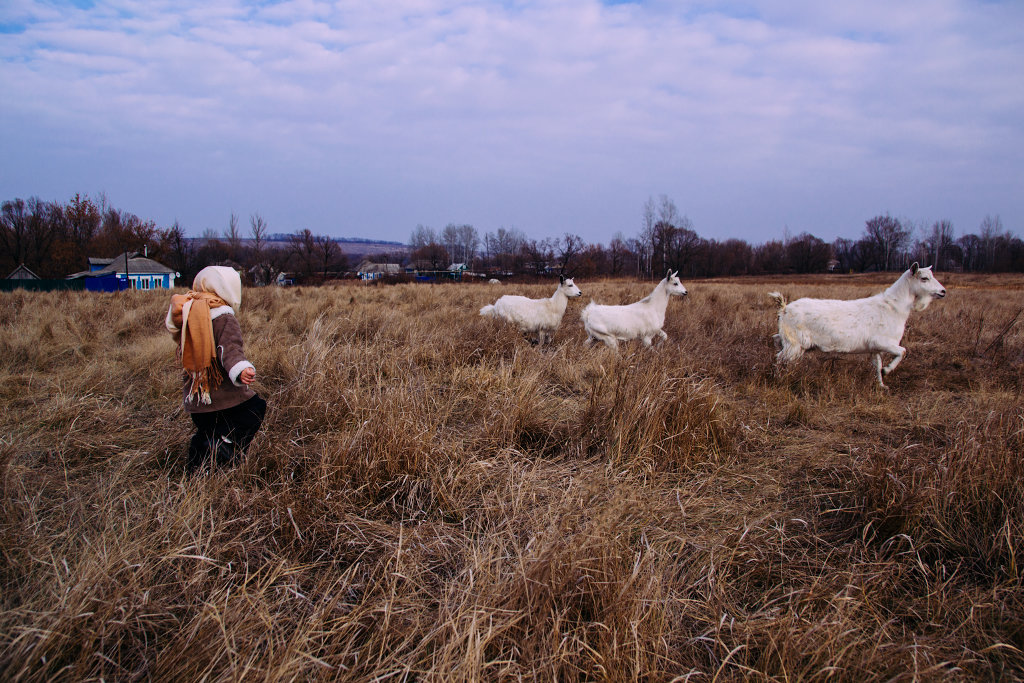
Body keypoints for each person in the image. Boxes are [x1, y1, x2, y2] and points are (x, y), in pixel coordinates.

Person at [165, 266, 266, 473]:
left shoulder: (189, 311)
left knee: (207, 430)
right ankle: (226, 450)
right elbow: (229, 348)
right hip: (221, 395)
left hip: (196, 396)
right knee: (254, 410)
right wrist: (240, 369)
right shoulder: (223, 316)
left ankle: (196, 467)